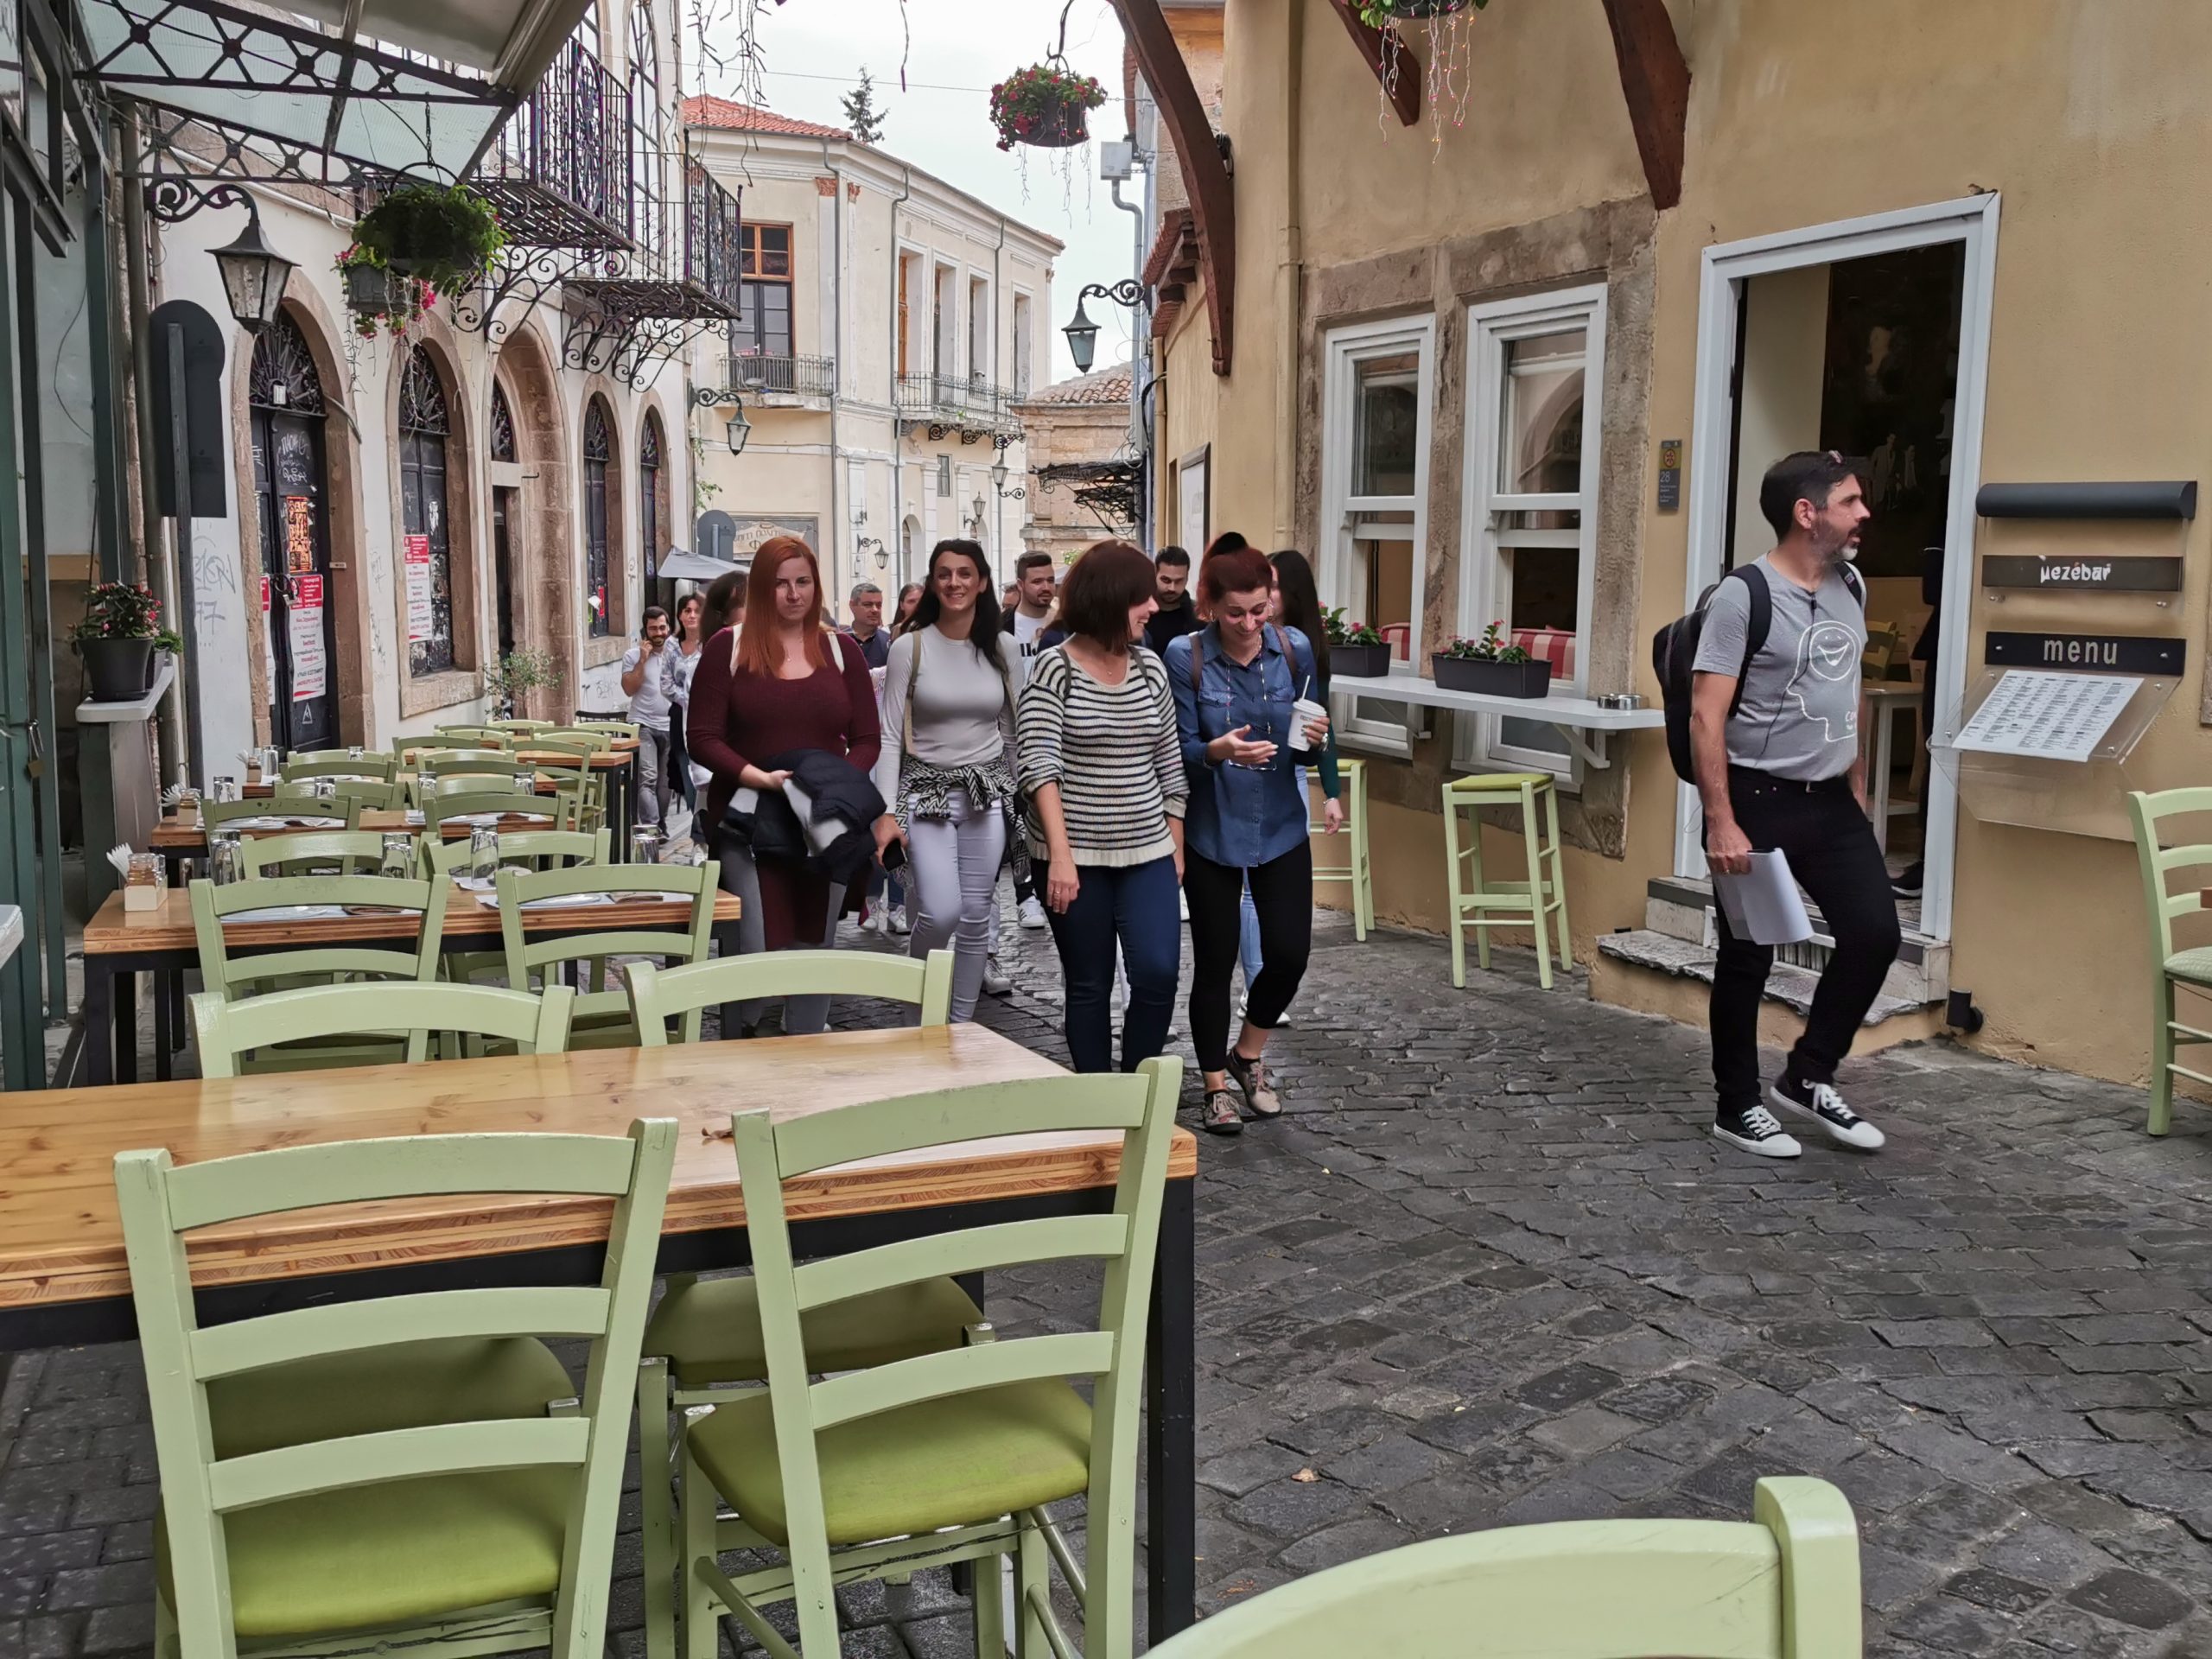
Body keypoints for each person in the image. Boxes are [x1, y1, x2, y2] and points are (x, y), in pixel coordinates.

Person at [1694, 451, 1897, 1158]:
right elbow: (1706, 716)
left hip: (1831, 801)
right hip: (1757, 799)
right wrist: (1722, 820)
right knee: (1748, 957)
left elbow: (1850, 691)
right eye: (1850, 502)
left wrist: (1857, 782)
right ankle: (1736, 1105)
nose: (1863, 513)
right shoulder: (1742, 596)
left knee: (1875, 935)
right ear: (1806, 513)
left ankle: (1809, 1075)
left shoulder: (1852, 585)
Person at [688, 535, 889, 1037]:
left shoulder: (840, 651)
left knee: (815, 940)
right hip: (748, 817)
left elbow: (868, 738)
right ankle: (746, 1035)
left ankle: (806, 1040)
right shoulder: (729, 647)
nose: (794, 594)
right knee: (755, 942)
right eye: (781, 584)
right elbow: (702, 737)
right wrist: (757, 777)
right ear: (761, 588)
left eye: (803, 582)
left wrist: (834, 787)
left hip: (822, 819)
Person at [1166, 546, 1329, 1134]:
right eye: (1235, 613)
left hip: (1280, 823)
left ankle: (1247, 1054)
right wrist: (1218, 750)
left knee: (1289, 954)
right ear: (1211, 605)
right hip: (1212, 825)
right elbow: (1177, 750)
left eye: (1259, 610)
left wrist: (1316, 739)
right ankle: (1214, 1084)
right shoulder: (1185, 655)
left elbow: (1309, 741)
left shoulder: (1294, 648)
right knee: (1216, 960)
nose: (1249, 623)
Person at [1018, 540, 1185, 1073]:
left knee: (1158, 974)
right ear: (1112, 598)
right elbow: (1038, 766)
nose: (1154, 606)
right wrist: (1060, 857)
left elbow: (1170, 764)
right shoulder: (1055, 668)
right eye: (1142, 597)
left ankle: (1136, 1091)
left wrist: (1176, 848)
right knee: (1089, 982)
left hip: (1148, 851)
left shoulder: (1150, 668)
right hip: (1074, 858)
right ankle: (1098, 1098)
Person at [874, 540, 1018, 1020]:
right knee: (939, 911)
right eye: (944, 574)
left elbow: (1014, 733)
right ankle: (917, 1012)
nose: (954, 583)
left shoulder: (1002, 647)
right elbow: (889, 735)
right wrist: (886, 813)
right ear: (934, 583)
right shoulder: (909, 647)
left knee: (976, 917)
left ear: (982, 582)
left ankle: (959, 1026)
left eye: (964, 573)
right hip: (925, 794)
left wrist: (1026, 801)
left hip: (986, 795)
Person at [1233, 549, 1346, 1023]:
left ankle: (1270, 981)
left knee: (1281, 884)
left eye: (1274, 587)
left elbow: (1322, 724)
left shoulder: (1307, 650)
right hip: (1242, 770)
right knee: (1248, 886)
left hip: (1291, 773)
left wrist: (1332, 791)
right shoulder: (1243, 641)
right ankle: (1254, 986)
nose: (1265, 596)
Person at [1000, 550, 1060, 932]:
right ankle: (1026, 896)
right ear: (1021, 584)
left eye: (1050, 580)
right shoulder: (1001, 628)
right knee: (1017, 816)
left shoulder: (1066, 624)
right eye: (1037, 581)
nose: (1045, 587)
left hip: (1056, 732)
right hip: (1011, 735)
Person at [620, 604, 677, 830]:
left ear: (668, 628)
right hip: (643, 724)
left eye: (662, 627)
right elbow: (629, 689)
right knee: (647, 777)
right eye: (653, 629)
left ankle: (660, 823)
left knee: (666, 783)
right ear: (646, 630)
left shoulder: (678, 655)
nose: (659, 633)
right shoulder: (632, 656)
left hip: (672, 726)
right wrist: (642, 660)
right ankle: (651, 828)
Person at [664, 592, 707, 817]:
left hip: (705, 714)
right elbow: (666, 683)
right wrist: (687, 699)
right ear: (680, 616)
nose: (692, 615)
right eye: (687, 611)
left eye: (696, 611)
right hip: (680, 713)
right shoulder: (672, 645)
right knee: (684, 766)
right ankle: (696, 817)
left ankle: (704, 820)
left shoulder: (710, 643)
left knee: (705, 766)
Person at [1143, 545, 1200, 655]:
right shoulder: (1140, 614)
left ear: (1187, 578)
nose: (1172, 588)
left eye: (1179, 581)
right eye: (1166, 580)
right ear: (1155, 575)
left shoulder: (1199, 617)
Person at [849, 581, 891, 671]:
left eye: (879, 605)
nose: (875, 610)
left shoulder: (890, 643)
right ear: (852, 605)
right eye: (868, 605)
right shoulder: (839, 642)